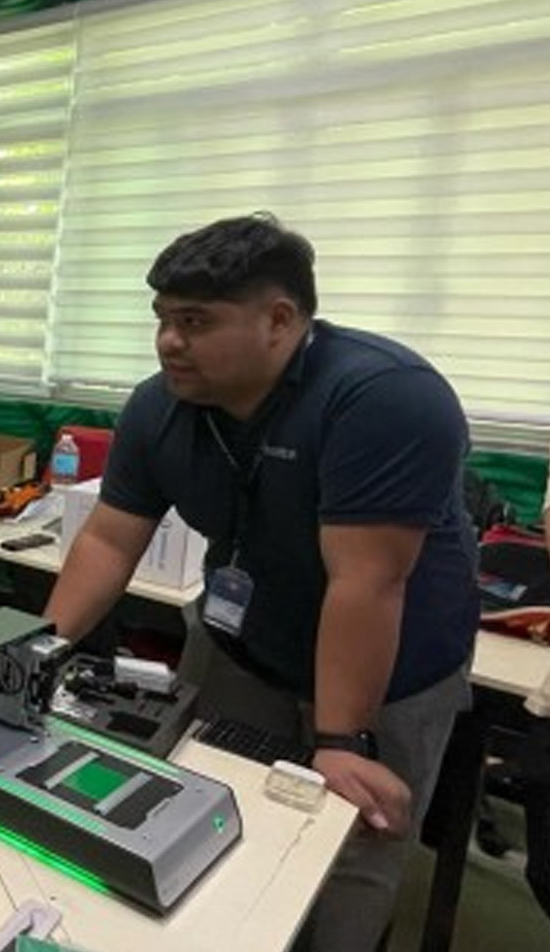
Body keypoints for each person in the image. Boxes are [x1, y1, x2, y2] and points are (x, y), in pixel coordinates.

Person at [44, 214, 477, 952]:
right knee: (202, 809)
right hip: (244, 644)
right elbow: (111, 540)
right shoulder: (159, 406)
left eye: (195, 321)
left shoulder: (383, 396)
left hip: (390, 666)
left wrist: (341, 740)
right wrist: (38, 650)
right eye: (162, 319)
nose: (168, 341)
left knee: (346, 849)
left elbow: (366, 583)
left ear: (280, 320)